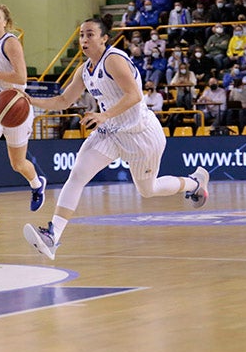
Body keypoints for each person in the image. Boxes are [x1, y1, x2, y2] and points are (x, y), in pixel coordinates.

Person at [22, 19, 210, 259]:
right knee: (77, 175)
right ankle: (53, 236)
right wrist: (30, 100)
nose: (84, 40)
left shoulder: (113, 59)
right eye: (81, 35)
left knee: (148, 190)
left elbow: (134, 95)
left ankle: (194, 183)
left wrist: (103, 115)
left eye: (90, 34)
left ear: (104, 38)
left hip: (140, 134)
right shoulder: (84, 70)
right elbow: (63, 101)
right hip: (110, 133)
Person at [0, 4, 48, 228]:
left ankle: (37, 183)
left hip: (14, 104)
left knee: (18, 163)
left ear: (6, 22)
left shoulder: (11, 42)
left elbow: (21, 78)